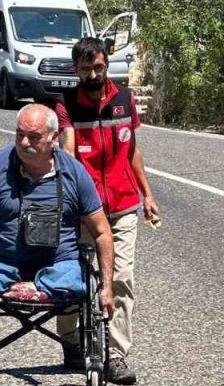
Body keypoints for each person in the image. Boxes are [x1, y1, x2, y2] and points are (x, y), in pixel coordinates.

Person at [55, 36, 159, 385]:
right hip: (86, 209)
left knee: (121, 278)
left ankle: (116, 354)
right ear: (76, 69)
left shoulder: (125, 100)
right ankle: (70, 340)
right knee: (75, 277)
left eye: (98, 67)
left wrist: (147, 194)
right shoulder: (67, 103)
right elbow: (68, 152)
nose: (94, 74)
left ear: (106, 63)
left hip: (123, 203)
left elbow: (133, 151)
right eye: (86, 69)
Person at [0, 103, 114, 316]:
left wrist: (107, 289)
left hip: (59, 266)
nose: (24, 143)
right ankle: (41, 287)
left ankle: (42, 284)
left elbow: (102, 232)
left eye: (34, 137)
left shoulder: (75, 173)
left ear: (54, 138)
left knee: (76, 280)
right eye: (20, 135)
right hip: (6, 263)